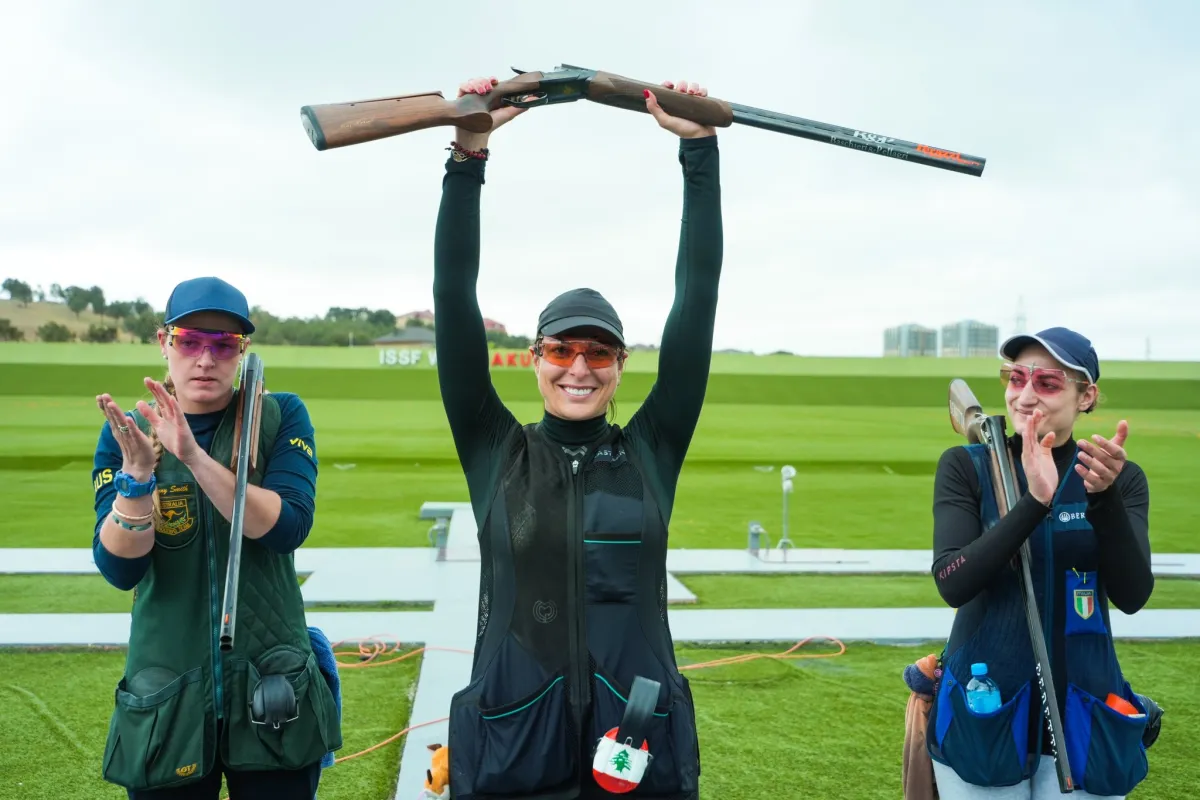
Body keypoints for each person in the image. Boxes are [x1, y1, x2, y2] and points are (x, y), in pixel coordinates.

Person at [431, 76, 723, 800]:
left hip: (638, 742)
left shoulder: (650, 451)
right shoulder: (496, 452)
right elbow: (452, 296)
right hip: (511, 746)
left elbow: (697, 296)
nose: (579, 368)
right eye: (561, 350)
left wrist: (699, 153)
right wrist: (467, 158)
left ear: (621, 366)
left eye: (599, 353)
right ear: (535, 359)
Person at [90, 276, 342, 799]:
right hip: (167, 694)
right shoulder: (128, 433)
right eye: (190, 341)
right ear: (164, 343)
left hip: (273, 685)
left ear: (242, 351)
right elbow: (120, 568)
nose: (206, 359)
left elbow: (286, 527)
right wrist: (136, 480)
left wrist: (193, 457)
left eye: (224, 344)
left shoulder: (279, 416)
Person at [925, 327, 1156, 798]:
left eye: (1047, 383)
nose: (1026, 395)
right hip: (984, 702)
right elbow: (953, 582)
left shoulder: (1118, 477)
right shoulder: (966, 467)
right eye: (1016, 378)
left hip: (1087, 710)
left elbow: (1133, 595)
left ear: (1086, 396)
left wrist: (1104, 499)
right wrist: (1035, 501)